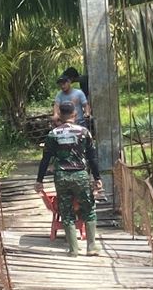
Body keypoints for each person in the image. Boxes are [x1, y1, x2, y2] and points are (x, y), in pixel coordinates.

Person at [35, 101, 103, 256]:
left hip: (62, 177)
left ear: (59, 114)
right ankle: (91, 246)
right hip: (80, 175)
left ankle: (73, 249)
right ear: (75, 114)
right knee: (89, 208)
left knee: (66, 212)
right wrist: (97, 177)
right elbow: (92, 158)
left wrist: (39, 181)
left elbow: (45, 160)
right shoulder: (84, 132)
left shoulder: (53, 134)